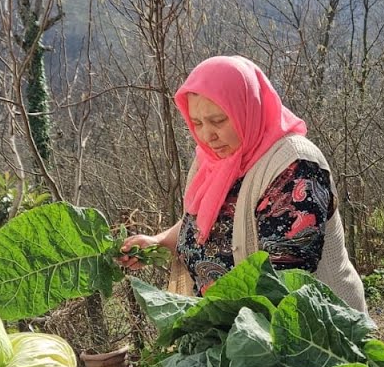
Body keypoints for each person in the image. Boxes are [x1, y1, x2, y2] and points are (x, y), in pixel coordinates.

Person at [121, 55, 367, 313]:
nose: (207, 135)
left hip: (311, 336)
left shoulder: (295, 166)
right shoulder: (214, 160)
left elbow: (282, 281)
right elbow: (203, 219)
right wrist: (159, 242)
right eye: (197, 123)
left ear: (247, 109)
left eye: (219, 121)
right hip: (235, 335)